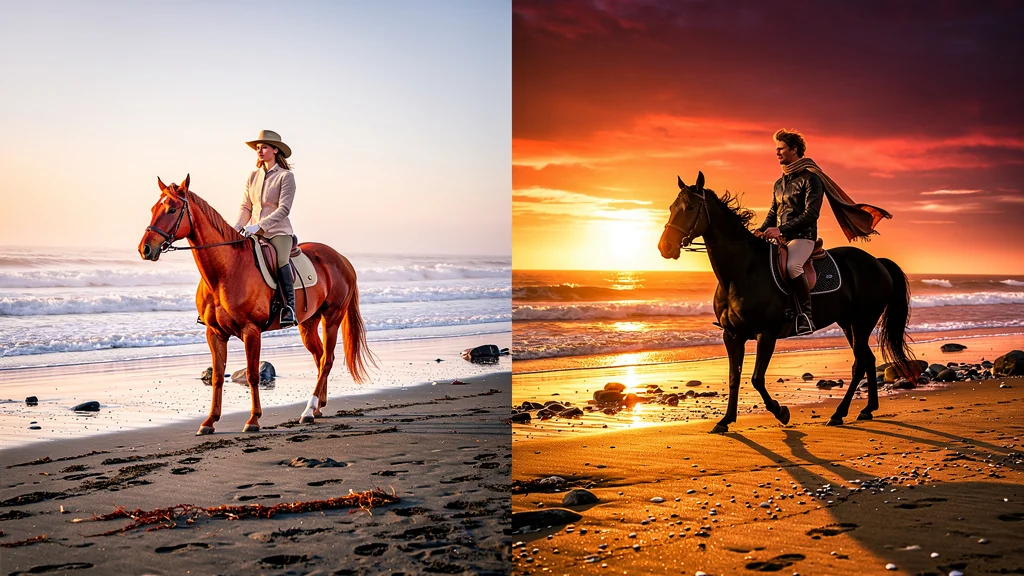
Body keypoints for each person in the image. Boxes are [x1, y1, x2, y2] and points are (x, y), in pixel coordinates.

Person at [756, 129, 893, 336]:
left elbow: (811, 213)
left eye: (781, 148)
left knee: (793, 266)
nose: (777, 153)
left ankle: (805, 316)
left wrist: (780, 229)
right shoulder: (779, 183)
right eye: (776, 149)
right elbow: (773, 212)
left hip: (803, 239)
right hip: (782, 239)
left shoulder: (811, 179)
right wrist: (761, 230)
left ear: (794, 149)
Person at [234, 129, 298, 328]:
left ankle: (289, 308)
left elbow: (284, 209)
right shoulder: (253, 176)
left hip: (278, 232)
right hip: (252, 231)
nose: (260, 151)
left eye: (264, 147)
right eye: (258, 148)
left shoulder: (286, 177)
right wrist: (237, 227)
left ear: (275, 150)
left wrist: (259, 227)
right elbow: (246, 207)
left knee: (280, 260)